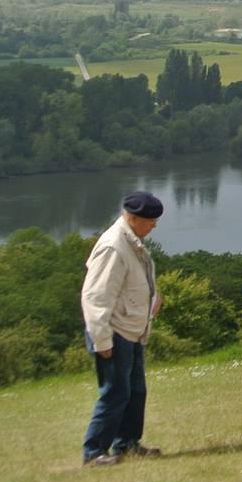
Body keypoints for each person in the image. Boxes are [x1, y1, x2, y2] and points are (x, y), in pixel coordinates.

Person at [79, 190, 164, 467]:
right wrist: (102, 341)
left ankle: (127, 444)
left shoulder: (132, 241)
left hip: (132, 331)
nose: (154, 225)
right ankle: (93, 452)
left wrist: (152, 300)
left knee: (136, 391)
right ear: (133, 217)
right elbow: (95, 297)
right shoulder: (113, 246)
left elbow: (134, 283)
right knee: (115, 393)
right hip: (113, 333)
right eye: (150, 220)